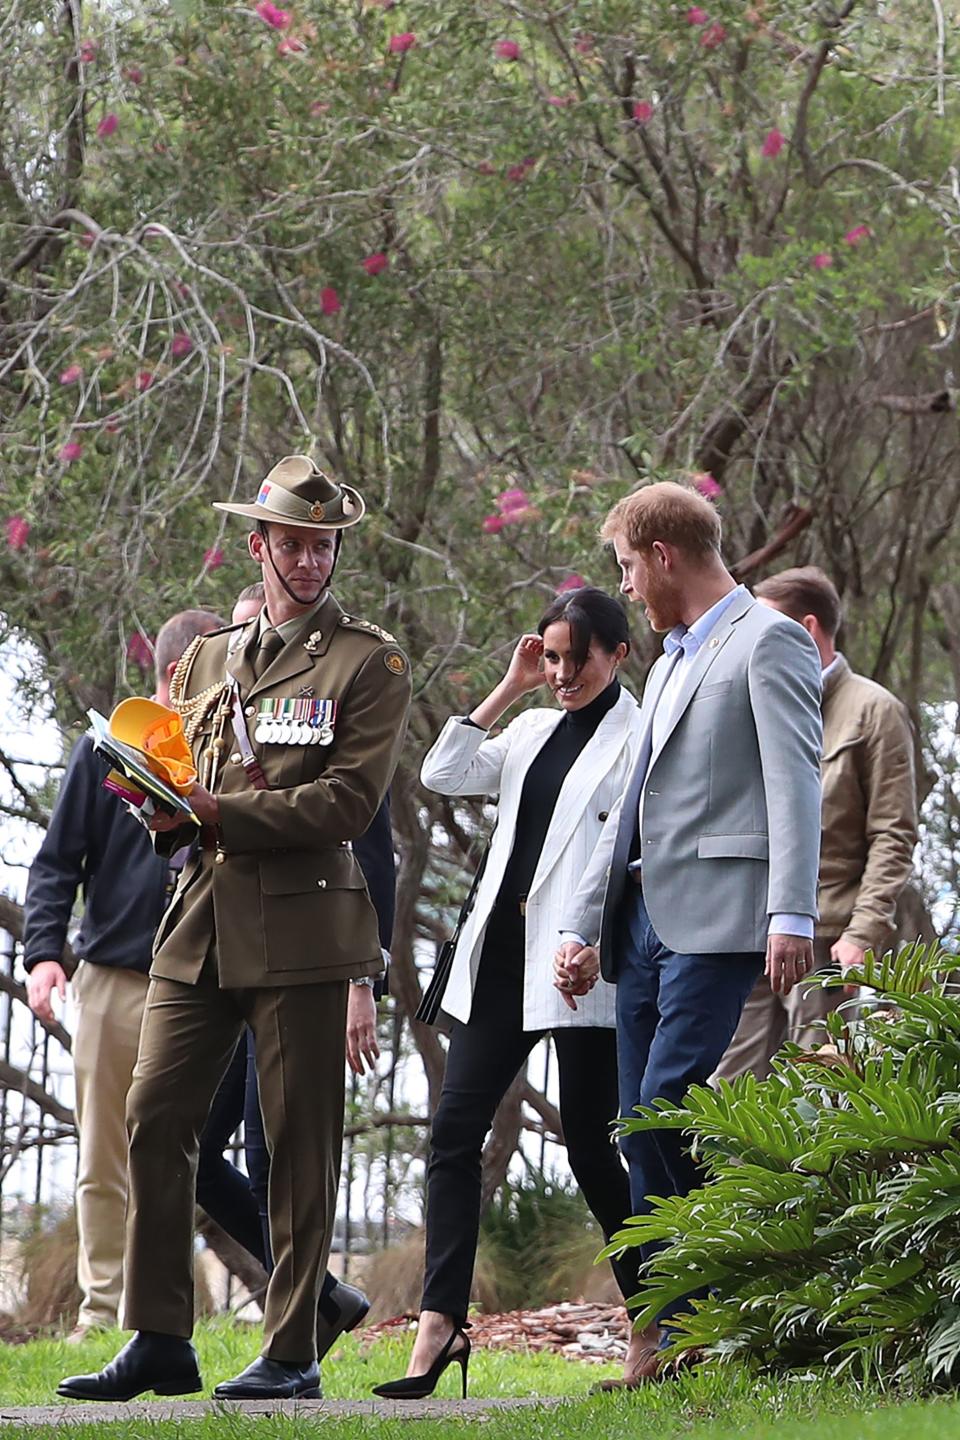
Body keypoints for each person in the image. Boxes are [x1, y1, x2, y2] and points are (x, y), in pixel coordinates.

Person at [58, 455, 411, 1404]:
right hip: (199, 923)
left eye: (323, 544)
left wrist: (214, 813)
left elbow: (345, 804)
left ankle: (291, 1347)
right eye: (292, 543)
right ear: (256, 546)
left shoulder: (367, 662)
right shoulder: (204, 657)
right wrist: (164, 808)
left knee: (297, 1146)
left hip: (302, 931)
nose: (308, 560)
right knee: (153, 1116)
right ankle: (161, 1337)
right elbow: (187, 774)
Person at [554, 482, 822, 1384]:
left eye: (628, 566)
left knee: (665, 1106)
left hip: (722, 923)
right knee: (635, 1125)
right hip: (640, 926)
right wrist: (587, 925)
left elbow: (795, 785)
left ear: (663, 555)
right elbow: (627, 807)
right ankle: (660, 1334)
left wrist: (793, 914)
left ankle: (723, 1300)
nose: (625, 586)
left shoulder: (771, 641)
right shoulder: (667, 662)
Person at [373, 587, 648, 1401]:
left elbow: (633, 854)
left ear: (618, 654)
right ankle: (441, 1322)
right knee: (453, 1135)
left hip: (577, 965)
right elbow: (444, 770)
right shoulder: (530, 727)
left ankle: (659, 1317)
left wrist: (594, 941)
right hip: (500, 960)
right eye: (553, 657)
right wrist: (510, 685)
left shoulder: (639, 738)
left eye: (577, 659)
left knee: (597, 1152)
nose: (562, 673)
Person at [195, 580, 395, 1355]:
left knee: (271, 1149)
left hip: (306, 957)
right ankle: (321, 1294)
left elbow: (365, 859)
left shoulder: (332, 711)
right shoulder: (216, 710)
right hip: (228, 956)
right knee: (196, 1149)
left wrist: (360, 983)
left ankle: (293, 1331)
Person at [22, 609, 223, 1342]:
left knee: (178, 1154)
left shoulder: (235, 756)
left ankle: (164, 1315)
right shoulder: (104, 750)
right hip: (111, 978)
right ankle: (101, 1312)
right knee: (102, 1155)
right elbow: (55, 863)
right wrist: (45, 953)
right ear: (174, 678)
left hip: (203, 982)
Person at [713, 566, 918, 1080]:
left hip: (828, 937)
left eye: (767, 626)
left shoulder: (874, 711)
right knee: (728, 1096)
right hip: (751, 934)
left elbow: (894, 835)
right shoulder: (755, 703)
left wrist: (862, 934)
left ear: (807, 629)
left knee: (818, 1090)